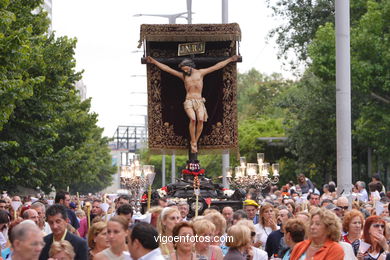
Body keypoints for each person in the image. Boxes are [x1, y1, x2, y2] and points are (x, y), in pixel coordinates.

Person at [146, 55, 239, 153]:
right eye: (183, 70)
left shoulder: (200, 73)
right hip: (189, 101)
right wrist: (154, 61)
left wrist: (230, 59)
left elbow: (216, 66)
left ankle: (195, 141)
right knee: (193, 119)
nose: (185, 71)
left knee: (201, 119)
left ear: (190, 66)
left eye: (185, 69)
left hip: (199, 101)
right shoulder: (183, 76)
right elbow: (167, 69)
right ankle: (193, 141)